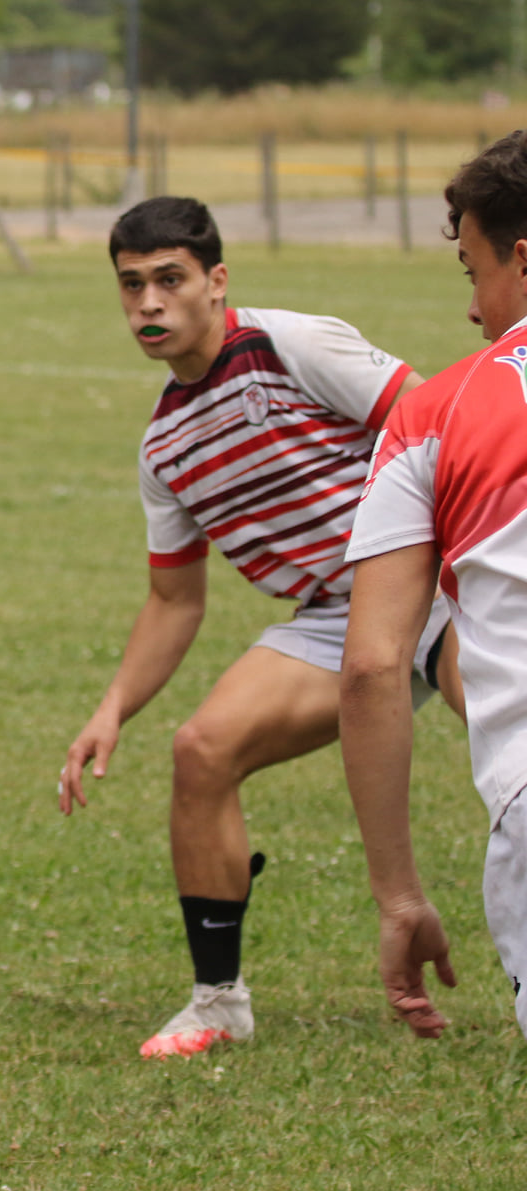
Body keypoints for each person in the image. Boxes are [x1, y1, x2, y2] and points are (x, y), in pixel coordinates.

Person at [57, 196, 458, 1059]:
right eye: (131, 287)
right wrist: (111, 709)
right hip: (332, 619)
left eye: (170, 280)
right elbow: (175, 602)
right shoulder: (164, 447)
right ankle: (217, 1001)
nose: (149, 305)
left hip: (436, 577)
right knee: (201, 751)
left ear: (217, 280)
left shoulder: (290, 345)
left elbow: (437, 426)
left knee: (513, 746)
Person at [343, 130, 527, 1044]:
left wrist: (398, 893)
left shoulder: (436, 409)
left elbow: (376, 665)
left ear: (522, 258)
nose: (472, 308)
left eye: (471, 271)